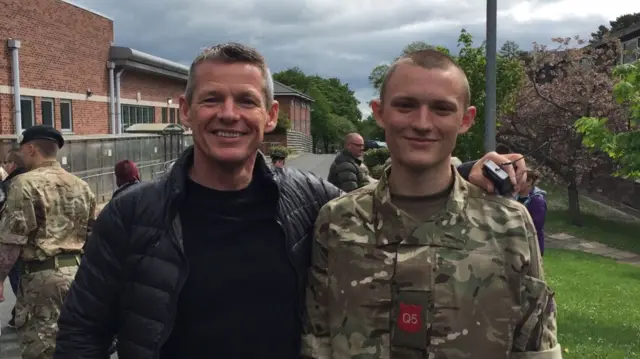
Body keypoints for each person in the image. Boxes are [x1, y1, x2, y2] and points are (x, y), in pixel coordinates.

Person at [54, 42, 531, 359]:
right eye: (211, 99)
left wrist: (466, 174)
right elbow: (81, 333)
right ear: (185, 110)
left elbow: (397, 206)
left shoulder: (314, 206)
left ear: (270, 114)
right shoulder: (134, 212)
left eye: (245, 101)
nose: (229, 115)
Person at [302, 49, 560, 358]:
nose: (422, 123)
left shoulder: (510, 225)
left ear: (466, 119)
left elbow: (536, 347)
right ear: (379, 112)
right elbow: (318, 343)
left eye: (441, 109)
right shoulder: (338, 221)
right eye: (406, 105)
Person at [0, 125, 96, 359]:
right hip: (78, 274)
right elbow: (92, 237)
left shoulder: (24, 184)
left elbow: (12, 240)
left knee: (41, 348)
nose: (21, 157)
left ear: (31, 149)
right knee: (73, 345)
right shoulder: (81, 186)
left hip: (42, 280)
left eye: (22, 151)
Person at [0, 148, 28, 325]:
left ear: (13, 164)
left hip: (14, 242)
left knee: (18, 279)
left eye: (6, 162)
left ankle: (22, 312)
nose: (5, 166)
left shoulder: (10, 185)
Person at [518, 169, 548, 256]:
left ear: (529, 181)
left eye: (519, 179)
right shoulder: (514, 196)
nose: (515, 182)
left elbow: (536, 226)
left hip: (532, 247)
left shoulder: (537, 200)